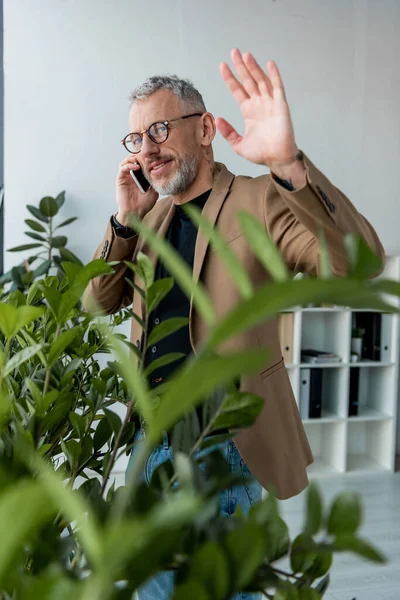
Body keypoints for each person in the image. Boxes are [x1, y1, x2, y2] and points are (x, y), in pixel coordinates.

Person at [83, 49, 384, 599]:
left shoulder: (259, 199)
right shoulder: (149, 215)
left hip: (223, 445)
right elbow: (96, 304)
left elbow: (357, 267)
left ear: (203, 129)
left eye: (158, 130)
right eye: (136, 140)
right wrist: (122, 222)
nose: (147, 150)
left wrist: (289, 165)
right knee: (153, 587)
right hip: (148, 439)